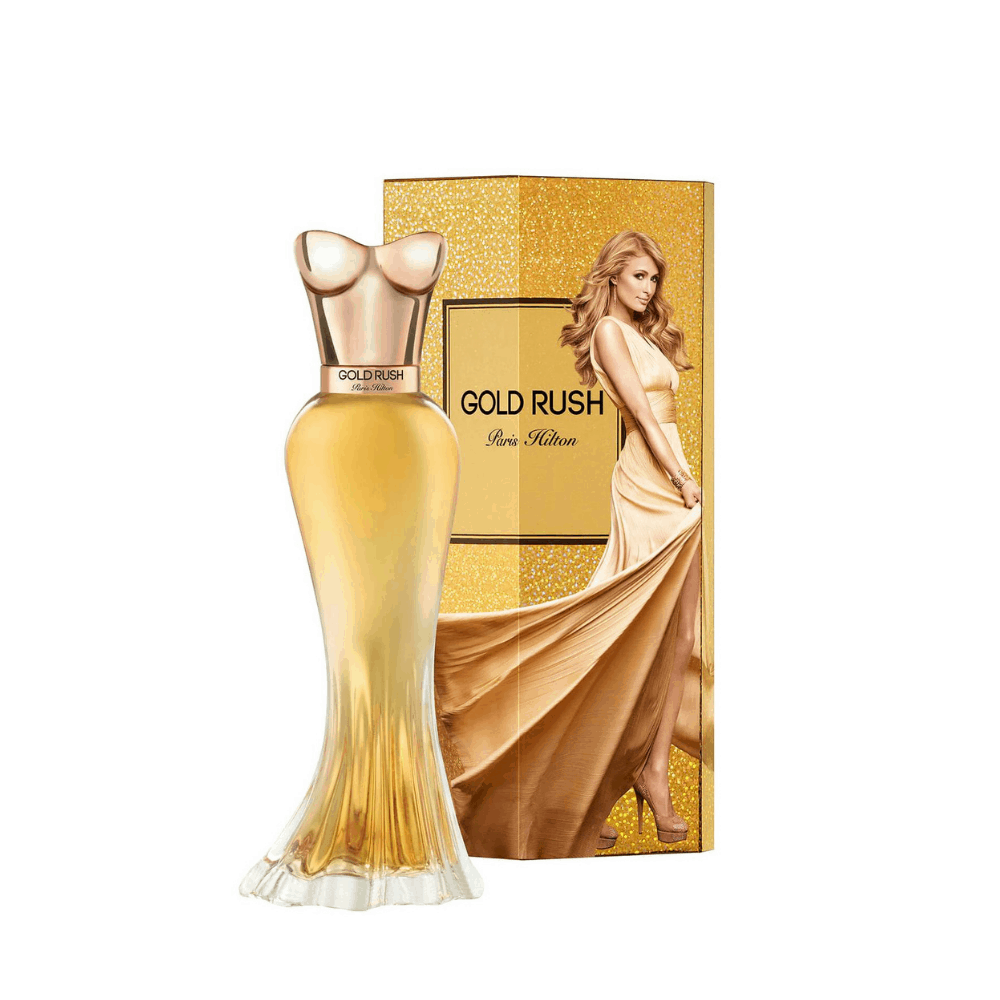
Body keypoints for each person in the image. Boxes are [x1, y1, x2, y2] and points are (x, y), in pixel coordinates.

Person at [434, 231, 703, 859]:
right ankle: (575, 785)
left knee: (680, 634)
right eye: (638, 277)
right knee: (627, 634)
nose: (649, 289)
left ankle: (645, 771)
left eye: (654, 279)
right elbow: (643, 416)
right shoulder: (609, 333)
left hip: (673, 473)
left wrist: (685, 474)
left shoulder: (641, 334)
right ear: (612, 278)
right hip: (653, 479)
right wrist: (682, 479)